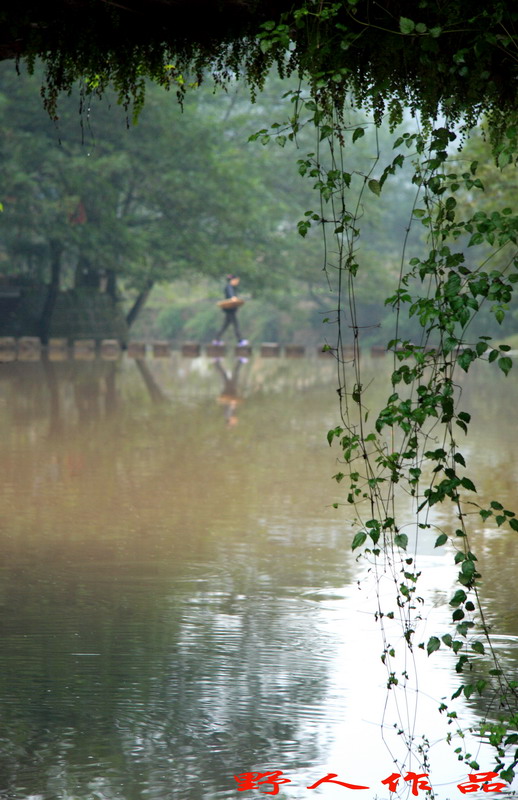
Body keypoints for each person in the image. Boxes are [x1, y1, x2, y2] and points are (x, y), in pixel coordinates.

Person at [213, 274, 248, 345]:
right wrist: (234, 298)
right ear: (233, 280)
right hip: (230, 310)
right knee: (235, 325)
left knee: (225, 325)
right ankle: (240, 340)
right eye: (237, 280)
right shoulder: (229, 287)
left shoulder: (233, 287)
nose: (237, 282)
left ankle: (216, 340)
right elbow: (232, 297)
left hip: (231, 310)